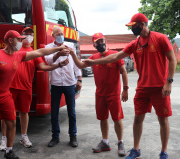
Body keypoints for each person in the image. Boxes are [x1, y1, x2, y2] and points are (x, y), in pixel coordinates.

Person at [83, 13, 176, 159]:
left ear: (142, 24)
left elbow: (172, 60)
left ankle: (164, 152)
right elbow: (115, 56)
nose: (131, 29)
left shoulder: (160, 38)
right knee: (138, 118)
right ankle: (136, 149)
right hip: (142, 88)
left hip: (160, 87)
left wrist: (168, 82)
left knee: (162, 119)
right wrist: (93, 62)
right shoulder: (135, 43)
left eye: (133, 26)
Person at [0, 30, 67, 159]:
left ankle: (9, 151)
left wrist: (59, 48)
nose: (21, 41)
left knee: (12, 123)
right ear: (10, 41)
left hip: (5, 95)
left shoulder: (19, 56)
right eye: (18, 39)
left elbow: (40, 52)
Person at [0, 27, 69, 150]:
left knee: (24, 113)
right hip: (10, 87)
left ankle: (24, 136)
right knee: (7, 115)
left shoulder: (33, 52)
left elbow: (43, 66)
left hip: (26, 88)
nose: (28, 37)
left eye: (31, 35)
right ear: (21, 36)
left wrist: (58, 64)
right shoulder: (15, 50)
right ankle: (4, 139)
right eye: (26, 34)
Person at [69, 33, 128, 157]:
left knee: (117, 119)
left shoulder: (114, 55)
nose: (101, 43)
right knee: (102, 118)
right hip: (100, 94)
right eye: (98, 42)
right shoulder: (93, 57)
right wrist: (73, 54)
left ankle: (120, 142)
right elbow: (80, 65)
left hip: (113, 94)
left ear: (105, 41)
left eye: (102, 40)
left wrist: (125, 89)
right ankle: (105, 142)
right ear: (94, 44)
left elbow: (123, 72)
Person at [44, 26, 82, 148]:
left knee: (71, 111)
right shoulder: (48, 47)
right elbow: (48, 61)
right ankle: (55, 136)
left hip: (70, 82)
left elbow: (76, 63)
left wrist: (79, 78)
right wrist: (58, 54)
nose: (60, 35)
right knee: (54, 111)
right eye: (58, 34)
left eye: (62, 33)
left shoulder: (70, 45)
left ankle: (73, 136)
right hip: (56, 83)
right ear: (53, 36)